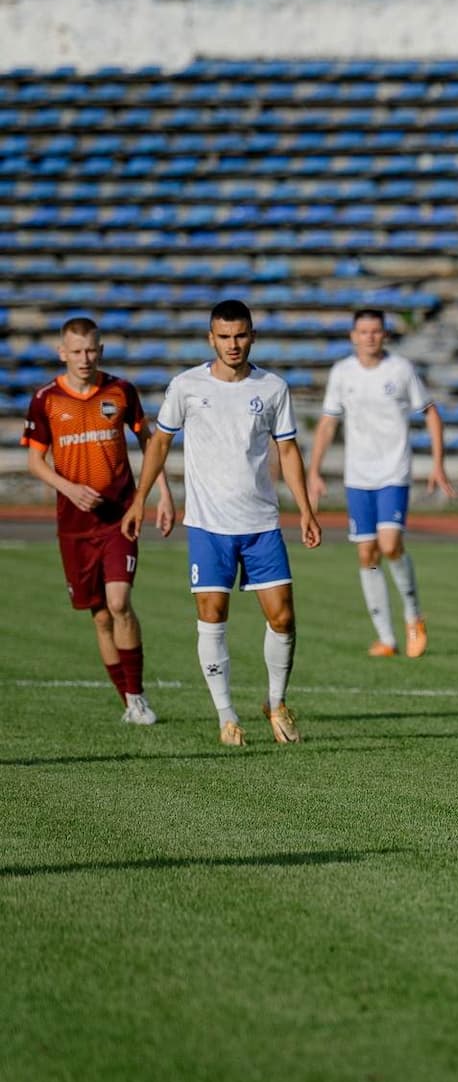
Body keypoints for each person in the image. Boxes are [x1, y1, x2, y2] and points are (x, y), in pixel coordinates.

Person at [121, 300, 322, 747]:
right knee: (213, 615)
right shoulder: (186, 386)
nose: (233, 344)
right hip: (209, 526)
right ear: (211, 339)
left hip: (261, 523)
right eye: (224, 337)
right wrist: (141, 499)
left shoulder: (273, 387)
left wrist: (305, 509)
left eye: (241, 335)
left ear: (252, 336)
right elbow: (159, 445)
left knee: (283, 616)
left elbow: (287, 450)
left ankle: (275, 701)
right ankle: (226, 715)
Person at [21, 315, 175, 725]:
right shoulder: (46, 399)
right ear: (62, 353)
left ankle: (138, 697)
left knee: (119, 601)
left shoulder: (121, 391)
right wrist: (69, 488)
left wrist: (162, 495)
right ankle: (127, 701)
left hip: (119, 517)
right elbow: (35, 462)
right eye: (76, 351)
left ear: (101, 350)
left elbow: (149, 443)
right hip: (74, 523)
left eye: (91, 350)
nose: (84, 358)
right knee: (101, 615)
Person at [306, 309, 452, 658]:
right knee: (367, 555)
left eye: (376, 331)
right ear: (353, 336)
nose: (370, 337)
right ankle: (386, 637)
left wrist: (438, 464)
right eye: (363, 331)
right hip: (358, 477)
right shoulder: (342, 373)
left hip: (393, 472)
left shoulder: (400, 370)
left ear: (385, 336)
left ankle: (413, 614)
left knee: (389, 546)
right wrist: (314, 470)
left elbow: (430, 412)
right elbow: (328, 422)